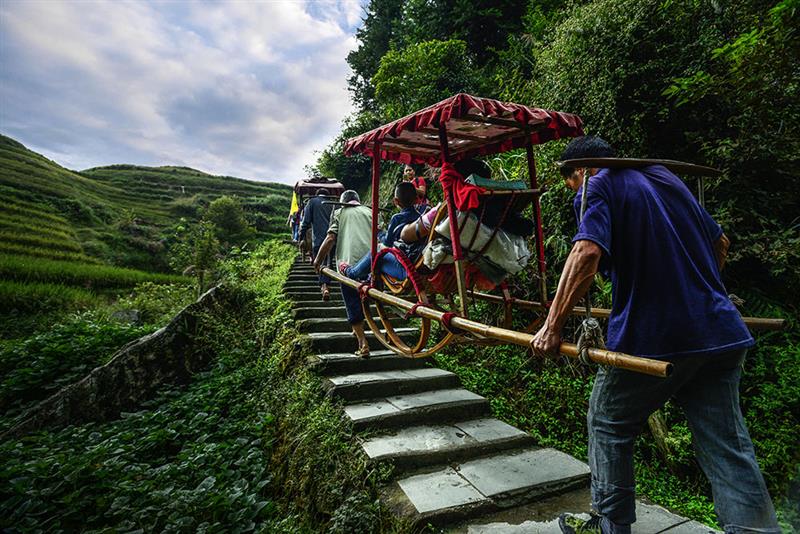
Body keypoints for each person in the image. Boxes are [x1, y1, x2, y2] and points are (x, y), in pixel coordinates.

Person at [529, 136, 778, 534]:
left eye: (570, 181)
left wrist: (552, 326)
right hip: (719, 330)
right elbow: (720, 242)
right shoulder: (665, 178)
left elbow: (587, 253)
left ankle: (607, 526)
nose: (572, 190)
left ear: (580, 171)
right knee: (727, 446)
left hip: (658, 335)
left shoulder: (598, 185)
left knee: (608, 420)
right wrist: (702, 290)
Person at [313, 190, 376, 358]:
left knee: (352, 300)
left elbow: (331, 238)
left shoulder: (340, 212)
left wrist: (318, 260)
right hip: (373, 263)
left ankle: (362, 342)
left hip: (348, 264)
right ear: (357, 200)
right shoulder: (371, 211)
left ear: (343, 202)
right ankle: (358, 331)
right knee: (365, 296)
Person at [340, 181, 421, 281]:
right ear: (416, 199)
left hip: (405, 269)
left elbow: (387, 243)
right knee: (380, 255)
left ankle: (351, 272)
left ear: (396, 201)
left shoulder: (397, 218)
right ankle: (368, 278)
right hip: (417, 264)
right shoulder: (420, 218)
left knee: (378, 250)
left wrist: (379, 232)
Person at [300, 189, 334, 300]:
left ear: (317, 194)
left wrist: (301, 237)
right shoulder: (333, 204)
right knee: (328, 261)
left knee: (320, 263)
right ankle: (326, 285)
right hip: (332, 239)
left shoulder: (312, 202)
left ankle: (324, 287)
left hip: (318, 240)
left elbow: (306, 222)